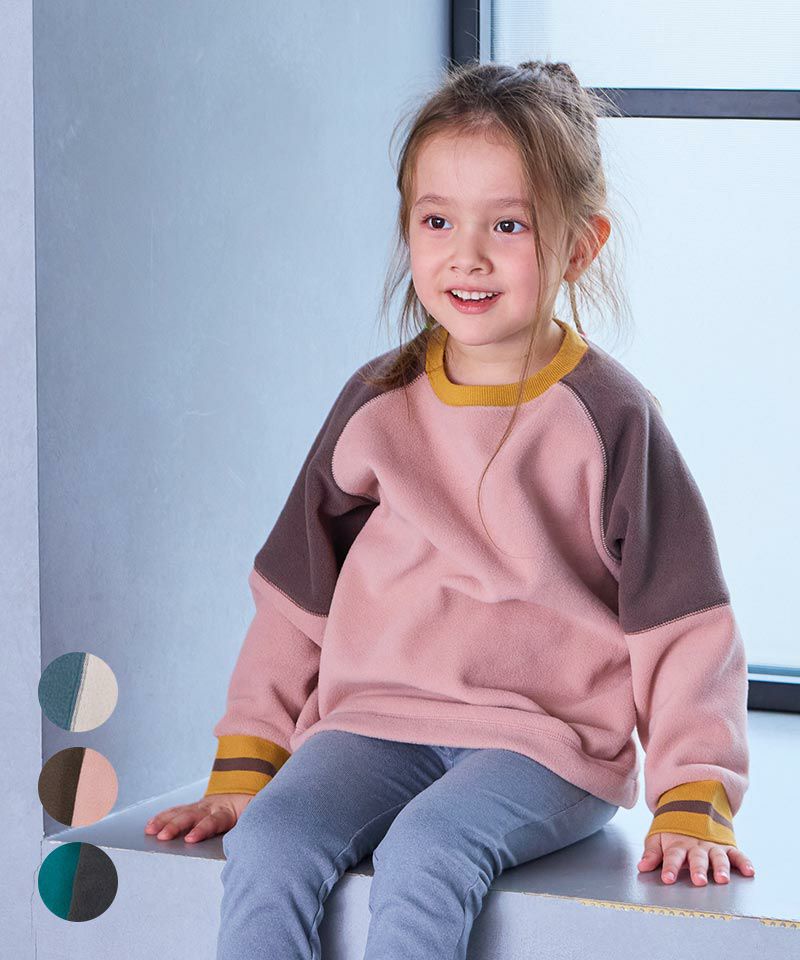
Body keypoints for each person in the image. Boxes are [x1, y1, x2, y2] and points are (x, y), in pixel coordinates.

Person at [144, 59, 755, 959]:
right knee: (271, 837)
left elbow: (685, 620)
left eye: (508, 224)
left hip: (544, 743)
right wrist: (250, 758)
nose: (467, 255)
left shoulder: (609, 416)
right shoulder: (376, 402)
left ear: (579, 245)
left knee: (428, 849)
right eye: (438, 222)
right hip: (375, 721)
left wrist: (693, 793)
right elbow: (296, 594)